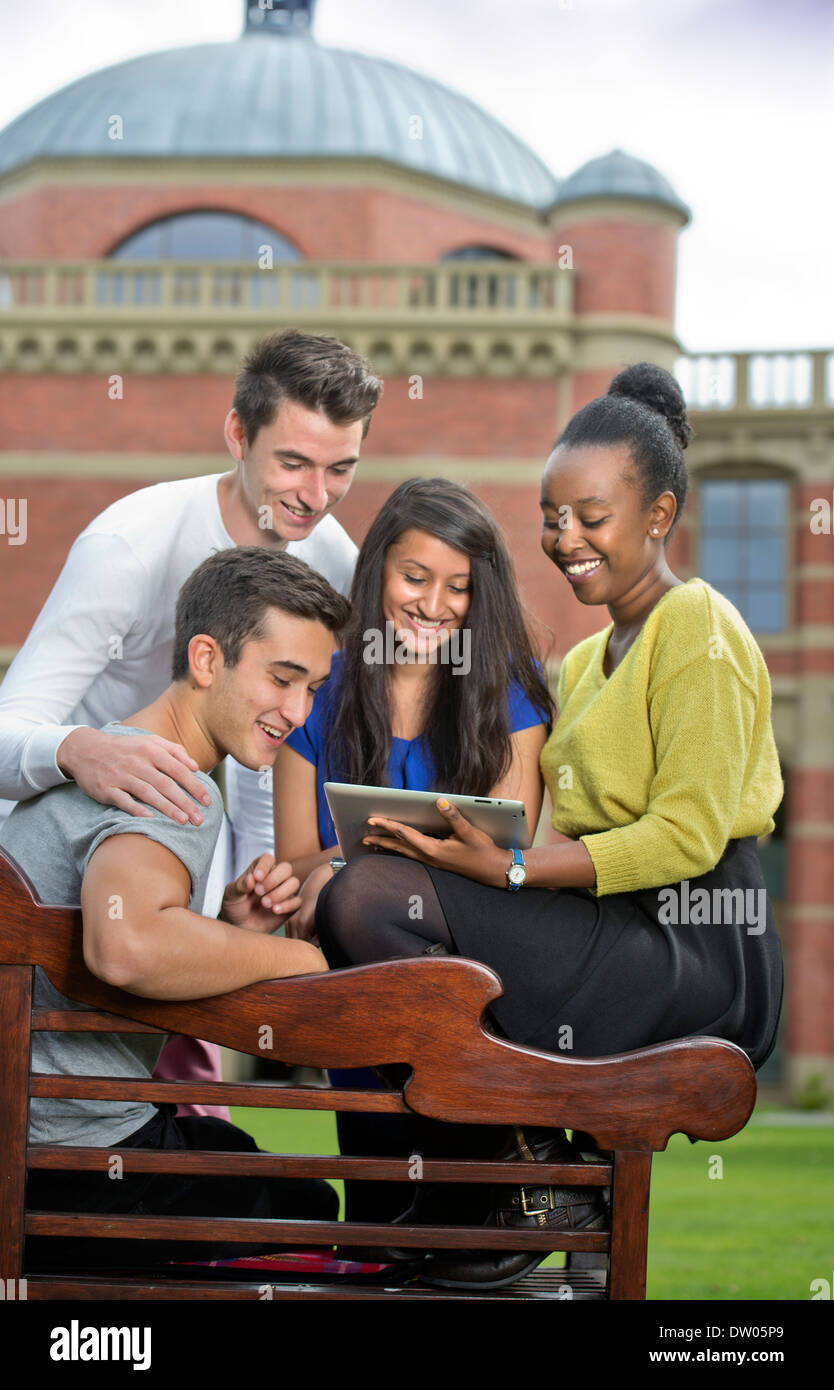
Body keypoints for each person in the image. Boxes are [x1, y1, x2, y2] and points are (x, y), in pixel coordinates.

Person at [313, 363, 785, 1290]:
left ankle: (525, 1173)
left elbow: (686, 835)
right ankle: (498, 1179)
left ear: (659, 515)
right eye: (551, 516)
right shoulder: (576, 665)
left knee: (372, 897)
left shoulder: (702, 628)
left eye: (590, 517)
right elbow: (540, 822)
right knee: (366, 892)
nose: (564, 539)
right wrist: (470, 850)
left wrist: (511, 873)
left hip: (697, 944)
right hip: (609, 926)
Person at [0, 328, 382, 1116]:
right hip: (61, 896)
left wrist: (257, 889)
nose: (315, 493)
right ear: (238, 435)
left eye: (339, 468)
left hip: (203, 899)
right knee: (82, 1124)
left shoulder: (338, 564)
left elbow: (271, 740)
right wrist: (78, 750)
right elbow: (10, 726)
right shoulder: (129, 546)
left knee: (197, 1133)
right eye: (293, 462)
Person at [0, 546, 350, 1271]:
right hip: (68, 1163)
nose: (298, 712)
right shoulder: (175, 786)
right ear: (205, 659)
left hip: (50, 1132)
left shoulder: (118, 757)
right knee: (311, 1211)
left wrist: (225, 934)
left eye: (313, 687)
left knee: (246, 1165)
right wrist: (301, 957)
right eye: (281, 679)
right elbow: (124, 947)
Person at [272, 476, 554, 1220]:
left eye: (458, 588)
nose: (433, 605)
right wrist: (337, 866)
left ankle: (510, 1165)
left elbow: (503, 853)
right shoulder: (322, 694)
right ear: (379, 574)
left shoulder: (508, 694)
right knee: (381, 1211)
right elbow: (297, 857)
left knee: (474, 1218)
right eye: (415, 577)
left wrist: (349, 861)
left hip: (474, 971)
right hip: (358, 1004)